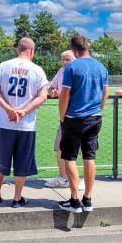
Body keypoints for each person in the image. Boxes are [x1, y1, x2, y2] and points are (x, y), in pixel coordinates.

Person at [0, 37, 48, 208]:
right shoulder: (37, 70)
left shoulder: (3, 66)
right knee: (22, 160)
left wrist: (8, 109)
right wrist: (23, 111)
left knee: (1, 158)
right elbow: (42, 96)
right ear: (32, 51)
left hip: (4, 122)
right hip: (26, 124)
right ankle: (17, 197)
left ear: (18, 49)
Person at [57, 34, 108, 213]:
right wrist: (97, 111)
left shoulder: (71, 66)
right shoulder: (101, 67)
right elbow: (105, 95)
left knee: (69, 157)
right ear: (87, 47)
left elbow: (64, 96)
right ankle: (87, 199)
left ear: (73, 50)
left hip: (74, 118)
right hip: (95, 117)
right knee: (89, 156)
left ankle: (74, 200)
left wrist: (62, 117)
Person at [44, 50, 85, 190]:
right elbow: (52, 87)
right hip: (65, 117)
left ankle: (85, 180)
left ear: (75, 59)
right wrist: (53, 92)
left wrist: (60, 94)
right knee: (59, 146)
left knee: (85, 149)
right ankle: (63, 178)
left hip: (80, 116)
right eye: (63, 59)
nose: (65, 62)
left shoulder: (79, 71)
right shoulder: (61, 72)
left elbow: (76, 94)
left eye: (68, 59)